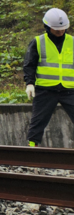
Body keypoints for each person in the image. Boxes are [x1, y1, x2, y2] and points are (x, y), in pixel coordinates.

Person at [23, 8, 74, 146]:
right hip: (45, 89)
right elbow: (29, 64)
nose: (60, 32)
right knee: (38, 122)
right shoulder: (38, 42)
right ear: (47, 27)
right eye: (57, 30)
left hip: (70, 89)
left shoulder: (72, 42)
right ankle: (32, 150)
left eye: (63, 29)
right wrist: (29, 83)